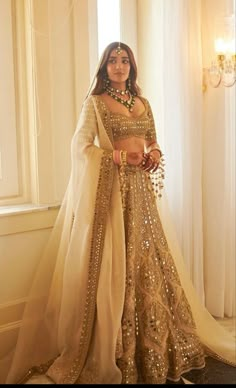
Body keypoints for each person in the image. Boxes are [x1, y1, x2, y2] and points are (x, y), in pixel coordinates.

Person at [0, 42, 235, 385]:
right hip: (111, 198)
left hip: (141, 196)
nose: (120, 65)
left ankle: (157, 344)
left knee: (148, 262)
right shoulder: (95, 104)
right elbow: (80, 149)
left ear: (132, 66)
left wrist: (154, 153)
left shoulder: (143, 103)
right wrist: (120, 159)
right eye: (113, 60)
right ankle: (116, 347)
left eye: (125, 60)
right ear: (105, 66)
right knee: (115, 265)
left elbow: (152, 140)